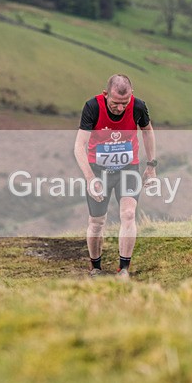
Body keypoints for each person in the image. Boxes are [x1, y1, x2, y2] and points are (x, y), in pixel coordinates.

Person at [74, 74, 157, 280]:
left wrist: (151, 166)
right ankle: (96, 267)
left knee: (129, 214)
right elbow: (78, 146)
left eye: (124, 103)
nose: (120, 108)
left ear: (132, 96)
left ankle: (123, 269)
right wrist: (90, 178)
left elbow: (147, 132)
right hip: (98, 170)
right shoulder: (92, 107)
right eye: (115, 103)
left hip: (128, 169)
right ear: (105, 95)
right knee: (97, 221)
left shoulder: (138, 107)